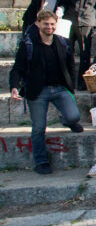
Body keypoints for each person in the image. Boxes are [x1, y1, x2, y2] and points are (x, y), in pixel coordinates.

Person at [8, 10, 83, 174]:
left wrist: (71, 86)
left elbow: (70, 66)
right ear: (38, 24)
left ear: (56, 25)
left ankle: (67, 121)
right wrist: (14, 87)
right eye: (46, 24)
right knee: (38, 128)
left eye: (52, 24)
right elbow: (17, 69)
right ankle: (41, 162)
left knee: (74, 117)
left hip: (59, 88)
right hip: (38, 90)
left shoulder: (63, 43)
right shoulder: (28, 44)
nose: (49, 27)